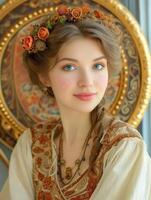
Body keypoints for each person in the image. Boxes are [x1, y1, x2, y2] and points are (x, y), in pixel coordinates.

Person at [0, 4, 151, 200]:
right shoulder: (31, 144)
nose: (87, 82)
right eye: (69, 67)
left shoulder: (124, 148)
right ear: (45, 77)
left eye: (97, 65)